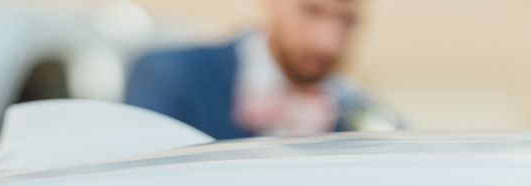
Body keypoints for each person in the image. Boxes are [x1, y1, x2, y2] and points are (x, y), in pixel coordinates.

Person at [125, 0, 400, 141]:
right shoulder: (169, 76)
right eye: (312, 11)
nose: (327, 41)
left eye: (347, 22)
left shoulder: (359, 111)